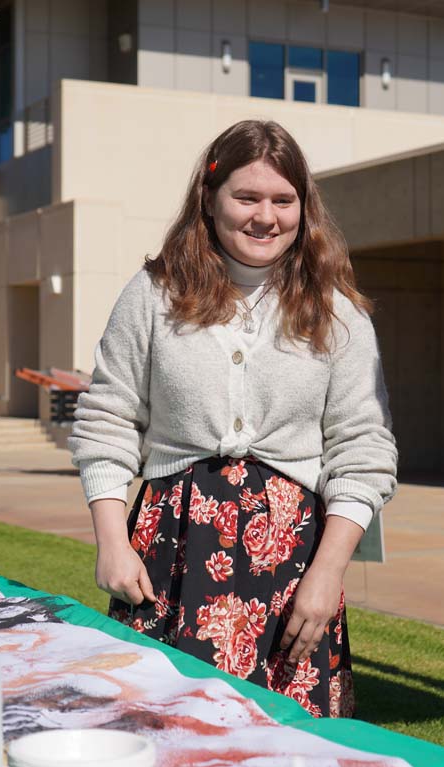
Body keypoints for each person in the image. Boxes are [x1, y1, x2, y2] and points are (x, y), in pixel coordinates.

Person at [69, 120, 397, 718]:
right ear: (210, 200)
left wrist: (327, 575)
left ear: (305, 207)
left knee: (285, 743)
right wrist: (112, 544)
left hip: (293, 562)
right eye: (247, 197)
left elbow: (363, 450)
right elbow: (107, 421)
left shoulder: (338, 312)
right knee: (166, 730)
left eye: (283, 200)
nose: (265, 216)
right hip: (170, 552)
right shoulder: (152, 295)